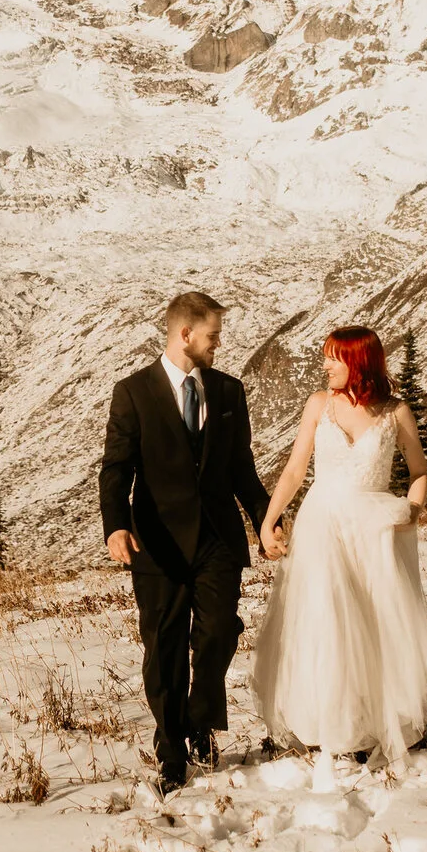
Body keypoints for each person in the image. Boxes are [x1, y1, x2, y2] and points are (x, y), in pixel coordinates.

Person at [98, 291, 272, 793]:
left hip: (218, 538)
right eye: (214, 335)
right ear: (186, 335)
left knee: (219, 632)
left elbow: (242, 468)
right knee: (165, 648)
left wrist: (265, 520)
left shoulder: (229, 392)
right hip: (157, 544)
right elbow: (116, 469)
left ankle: (199, 718)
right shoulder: (132, 392)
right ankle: (172, 751)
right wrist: (115, 526)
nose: (220, 344)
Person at [249, 325, 427, 771]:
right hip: (323, 527)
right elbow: (297, 469)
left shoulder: (396, 412)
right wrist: (269, 519)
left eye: (334, 358)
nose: (325, 365)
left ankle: (372, 720)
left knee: (374, 623)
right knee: (327, 621)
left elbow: (419, 471)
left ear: (358, 362)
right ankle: (330, 721)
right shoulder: (319, 404)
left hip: (372, 529)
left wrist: (411, 512)